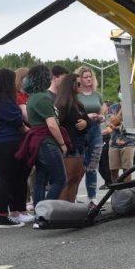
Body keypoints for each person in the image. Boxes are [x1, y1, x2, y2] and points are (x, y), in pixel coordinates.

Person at [0, 68, 32, 227]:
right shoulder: (3, 98)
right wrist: (27, 130)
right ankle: (4, 216)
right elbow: (16, 118)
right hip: (7, 141)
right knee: (6, 179)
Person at [17, 64, 68, 208]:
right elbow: (52, 124)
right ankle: (44, 210)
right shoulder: (42, 98)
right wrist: (62, 144)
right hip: (47, 142)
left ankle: (39, 214)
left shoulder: (32, 97)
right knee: (60, 179)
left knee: (41, 179)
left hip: (38, 143)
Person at [75, 65, 106, 208]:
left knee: (92, 165)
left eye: (90, 77)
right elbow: (71, 114)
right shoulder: (75, 95)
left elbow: (103, 113)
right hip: (80, 131)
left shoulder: (97, 95)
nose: (88, 79)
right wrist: (86, 116)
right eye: (85, 77)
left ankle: (92, 198)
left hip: (95, 131)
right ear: (79, 79)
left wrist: (101, 117)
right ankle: (71, 197)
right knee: (78, 166)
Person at [56, 73, 89, 202]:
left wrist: (86, 122)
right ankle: (63, 209)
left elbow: (87, 120)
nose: (81, 86)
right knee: (68, 179)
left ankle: (70, 208)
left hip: (80, 145)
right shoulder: (62, 104)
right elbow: (58, 125)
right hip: (70, 146)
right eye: (78, 84)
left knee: (76, 178)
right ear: (71, 85)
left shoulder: (79, 104)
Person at [108, 102, 135, 183]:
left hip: (129, 142)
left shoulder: (134, 106)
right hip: (114, 142)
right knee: (113, 170)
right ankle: (117, 191)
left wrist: (118, 126)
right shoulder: (113, 107)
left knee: (127, 171)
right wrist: (122, 108)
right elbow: (112, 122)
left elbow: (134, 123)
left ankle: (127, 191)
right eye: (120, 91)